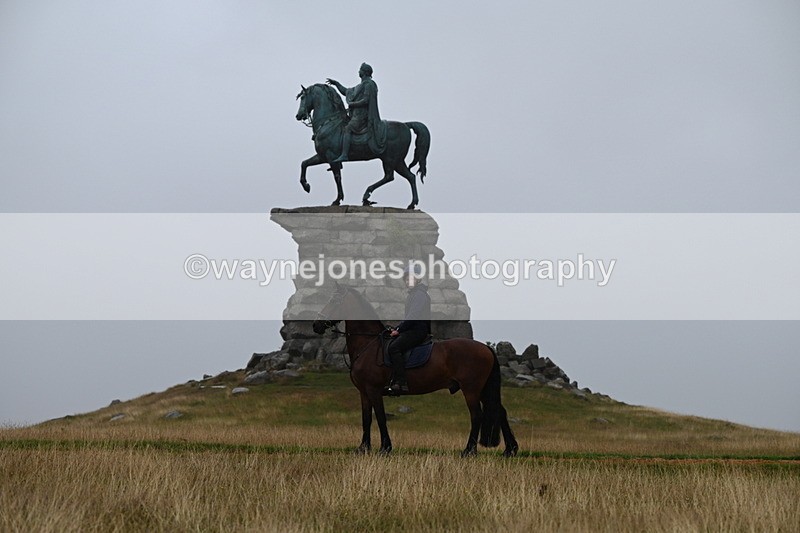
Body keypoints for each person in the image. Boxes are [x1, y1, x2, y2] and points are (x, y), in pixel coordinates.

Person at [385, 264, 431, 396]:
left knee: (394, 348)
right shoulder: (414, 294)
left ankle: (401, 382)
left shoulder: (420, 294)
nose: (407, 281)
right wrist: (397, 328)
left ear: (417, 279)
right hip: (411, 329)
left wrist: (399, 329)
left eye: (410, 279)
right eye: (405, 279)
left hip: (418, 330)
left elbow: (413, 316)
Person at [326, 63, 386, 163]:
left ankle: (344, 154)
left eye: (360, 70)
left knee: (348, 129)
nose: (358, 71)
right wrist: (337, 84)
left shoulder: (369, 84)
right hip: (356, 115)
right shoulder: (360, 86)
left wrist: (353, 104)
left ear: (364, 72)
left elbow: (366, 100)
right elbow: (346, 91)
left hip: (363, 116)